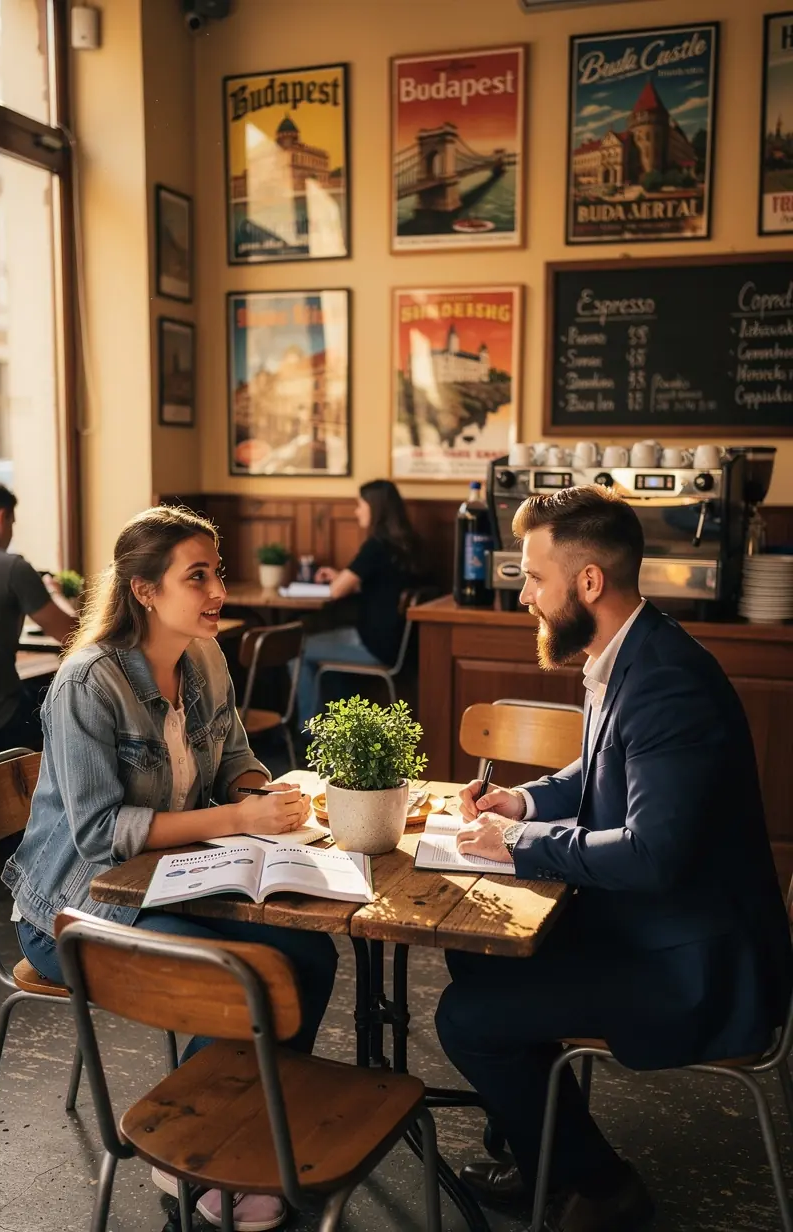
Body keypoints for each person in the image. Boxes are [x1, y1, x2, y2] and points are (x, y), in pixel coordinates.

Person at [435, 485, 793, 1232]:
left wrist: (519, 846)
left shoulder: (666, 684)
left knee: (467, 1018)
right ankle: (544, 1156)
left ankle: (600, 1185)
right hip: (656, 925)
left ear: (588, 582)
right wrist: (523, 804)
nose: (526, 595)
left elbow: (652, 854)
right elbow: (602, 773)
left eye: (534, 576)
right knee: (478, 961)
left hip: (697, 967)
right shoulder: (628, 650)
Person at [2, 505, 338, 1232]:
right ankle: (194, 1157)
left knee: (311, 953)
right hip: (71, 912)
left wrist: (264, 794)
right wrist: (237, 821)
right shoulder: (87, 683)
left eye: (216, 571)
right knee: (231, 970)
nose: (218, 588)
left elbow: (238, 761)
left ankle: (257, 1133)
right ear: (145, 591)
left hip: (174, 878)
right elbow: (98, 837)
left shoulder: (206, 655)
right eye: (198, 576)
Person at [297, 479, 422, 724]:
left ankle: (307, 734)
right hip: (400, 645)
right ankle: (333, 730)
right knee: (328, 666)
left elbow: (335, 591)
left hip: (375, 645)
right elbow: (384, 584)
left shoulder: (376, 545)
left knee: (296, 648)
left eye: (359, 505)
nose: (356, 511)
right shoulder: (408, 544)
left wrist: (338, 580)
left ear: (374, 508)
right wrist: (343, 577)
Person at [0, 481, 75, 752]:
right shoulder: (12, 568)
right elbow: (75, 636)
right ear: (1, 519)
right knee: (74, 709)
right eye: (12, 523)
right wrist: (55, 595)